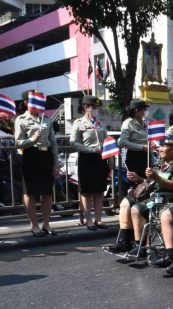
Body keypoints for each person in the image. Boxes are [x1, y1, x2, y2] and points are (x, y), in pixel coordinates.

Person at [107, 136, 173, 255]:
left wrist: (157, 177)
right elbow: (150, 183)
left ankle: (140, 245)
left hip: (167, 198)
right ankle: (124, 242)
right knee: (125, 203)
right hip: (151, 195)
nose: (160, 149)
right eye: (160, 146)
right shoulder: (159, 164)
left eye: (164, 146)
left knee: (136, 209)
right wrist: (138, 179)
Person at [14, 90, 61, 236]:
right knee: (30, 192)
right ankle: (34, 225)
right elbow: (18, 143)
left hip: (46, 156)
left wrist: (56, 163)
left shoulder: (45, 119)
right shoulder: (21, 119)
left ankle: (46, 224)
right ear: (26, 102)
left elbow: (53, 142)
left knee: (47, 192)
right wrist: (32, 139)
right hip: (31, 156)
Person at [70, 95, 110, 230]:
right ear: (86, 107)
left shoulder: (101, 124)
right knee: (86, 191)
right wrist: (90, 149)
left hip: (100, 160)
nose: (96, 110)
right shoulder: (78, 123)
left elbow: (106, 141)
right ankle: (88, 220)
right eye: (93, 107)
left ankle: (98, 219)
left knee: (99, 191)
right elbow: (73, 142)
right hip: (86, 159)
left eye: (97, 107)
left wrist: (109, 158)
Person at [118, 99, 151, 179]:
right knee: (136, 182)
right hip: (135, 156)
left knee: (147, 181)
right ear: (136, 110)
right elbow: (122, 142)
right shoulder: (128, 123)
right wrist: (142, 147)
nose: (145, 111)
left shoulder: (145, 122)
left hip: (146, 156)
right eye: (143, 109)